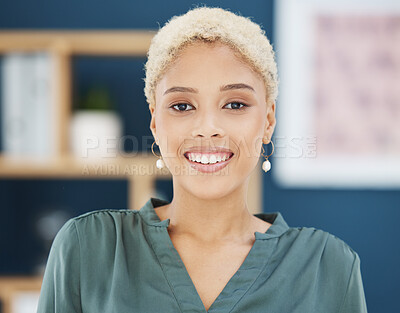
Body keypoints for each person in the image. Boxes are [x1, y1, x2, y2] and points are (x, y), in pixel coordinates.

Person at [37, 6, 368, 313]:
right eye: (182, 106)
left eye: (234, 104)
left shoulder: (329, 267)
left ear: (268, 121)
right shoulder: (88, 249)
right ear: (155, 122)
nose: (208, 128)